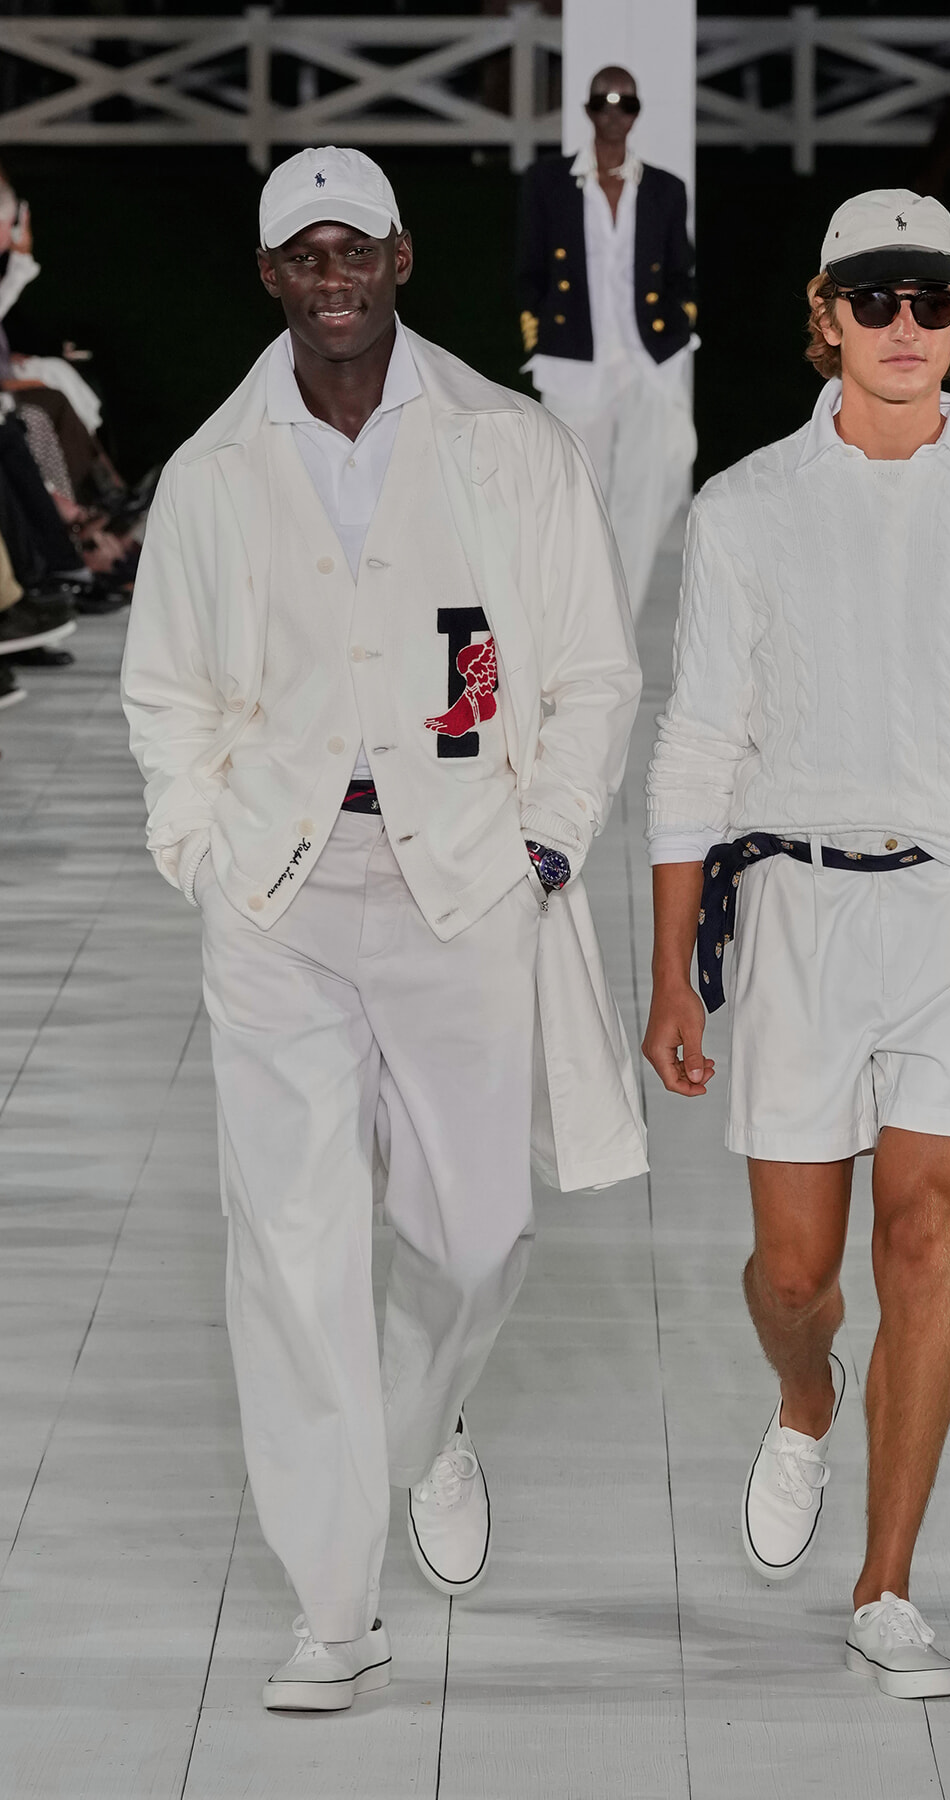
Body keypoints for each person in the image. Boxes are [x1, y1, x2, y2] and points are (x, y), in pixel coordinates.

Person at [122, 145, 646, 1713]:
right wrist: (201, 847)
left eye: (360, 251)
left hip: (467, 879)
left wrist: (547, 844)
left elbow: (590, 673)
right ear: (273, 274)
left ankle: (419, 1435)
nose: (334, 278)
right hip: (281, 892)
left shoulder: (505, 444)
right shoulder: (217, 470)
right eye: (306, 255)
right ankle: (333, 1604)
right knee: (288, 1252)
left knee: (477, 1231)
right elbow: (169, 693)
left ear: (403, 261)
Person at [642, 189, 950, 1699]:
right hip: (794, 908)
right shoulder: (744, 508)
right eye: (876, 296)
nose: (903, 326)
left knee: (924, 1234)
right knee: (795, 1272)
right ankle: (804, 1400)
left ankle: (888, 1588)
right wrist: (668, 967)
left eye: (932, 299)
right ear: (826, 312)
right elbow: (696, 743)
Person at [517, 65, 697, 615]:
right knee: (568, 493)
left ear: (636, 114)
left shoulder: (665, 189)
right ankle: (571, 614)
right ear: (589, 110)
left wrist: (681, 322)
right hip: (576, 359)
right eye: (604, 101)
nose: (614, 112)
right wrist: (538, 333)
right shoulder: (547, 183)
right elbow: (528, 269)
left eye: (626, 103)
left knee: (650, 488)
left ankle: (622, 613)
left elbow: (681, 273)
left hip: (648, 358)